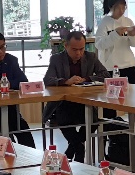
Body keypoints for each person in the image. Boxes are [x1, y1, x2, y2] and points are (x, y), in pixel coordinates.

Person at [42, 30, 109, 162]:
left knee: (93, 121)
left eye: (81, 49)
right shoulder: (56, 59)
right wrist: (66, 81)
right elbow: (48, 80)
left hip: (84, 103)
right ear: (66, 46)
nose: (78, 53)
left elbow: (105, 75)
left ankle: (72, 149)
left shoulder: (91, 57)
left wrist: (86, 79)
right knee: (64, 120)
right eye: (74, 49)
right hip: (63, 104)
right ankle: (79, 149)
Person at [94, 0, 135, 83]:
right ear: (110, 7)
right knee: (112, 90)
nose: (121, 11)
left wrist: (133, 35)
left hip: (128, 64)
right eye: (118, 8)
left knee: (131, 90)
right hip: (111, 66)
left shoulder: (128, 21)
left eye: (123, 8)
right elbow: (99, 44)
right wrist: (115, 34)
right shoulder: (105, 22)